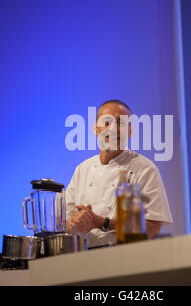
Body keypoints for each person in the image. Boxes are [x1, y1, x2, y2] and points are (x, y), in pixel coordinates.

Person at [65, 100, 173, 247]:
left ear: (129, 132)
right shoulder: (82, 170)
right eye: (107, 122)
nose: (113, 129)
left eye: (120, 123)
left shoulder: (144, 169)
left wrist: (102, 222)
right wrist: (75, 223)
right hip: (83, 256)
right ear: (96, 129)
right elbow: (63, 223)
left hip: (124, 256)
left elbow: (151, 226)